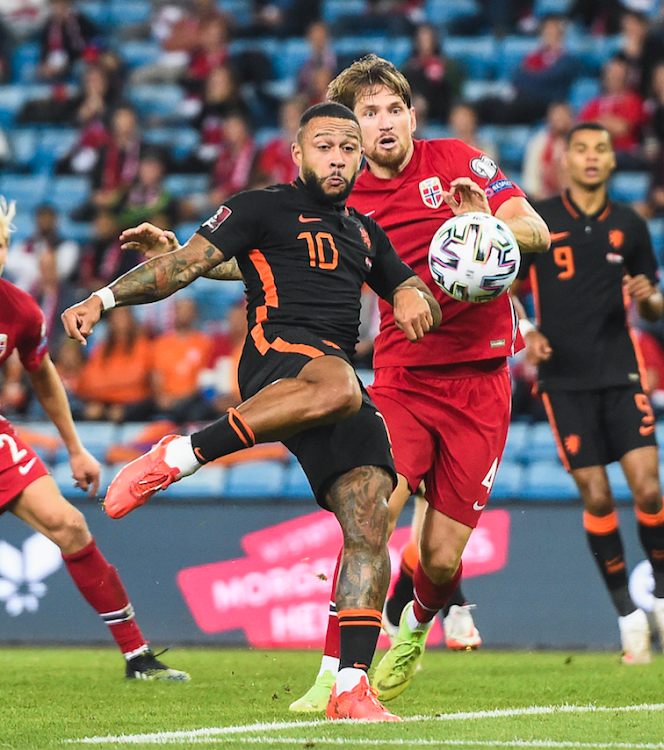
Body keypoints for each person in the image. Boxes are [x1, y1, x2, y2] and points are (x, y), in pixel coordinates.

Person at [61, 101, 441, 722]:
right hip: (278, 359)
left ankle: (350, 687)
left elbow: (403, 282)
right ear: (298, 153)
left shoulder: (365, 233)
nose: (340, 157)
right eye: (326, 146)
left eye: (350, 147)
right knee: (344, 385)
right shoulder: (260, 207)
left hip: (329, 377)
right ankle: (180, 455)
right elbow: (183, 268)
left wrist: (411, 293)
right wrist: (102, 299)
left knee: (372, 513)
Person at [289, 53, 550, 710]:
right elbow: (275, 248)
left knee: (438, 560)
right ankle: (332, 674)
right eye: (367, 113)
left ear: (412, 115)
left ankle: (414, 629)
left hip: (482, 380)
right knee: (370, 512)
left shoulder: (457, 160)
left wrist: (486, 227)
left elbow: (535, 230)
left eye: (392, 109)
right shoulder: (339, 190)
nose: (383, 123)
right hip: (403, 379)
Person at [0, 197, 188, 681]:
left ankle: (137, 657)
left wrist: (76, 448)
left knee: (70, 526)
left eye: (1, 244)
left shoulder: (19, 310)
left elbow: (41, 374)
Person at [513, 122, 664, 665]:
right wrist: (527, 331)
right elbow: (506, 284)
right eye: (582, 149)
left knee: (648, 490)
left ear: (611, 160)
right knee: (597, 496)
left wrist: (649, 300)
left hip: (621, 372)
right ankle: (627, 616)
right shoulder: (539, 221)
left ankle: (662, 598)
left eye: (602, 148)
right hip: (563, 381)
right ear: (565, 160)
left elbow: (653, 305)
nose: (593, 157)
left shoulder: (631, 224)